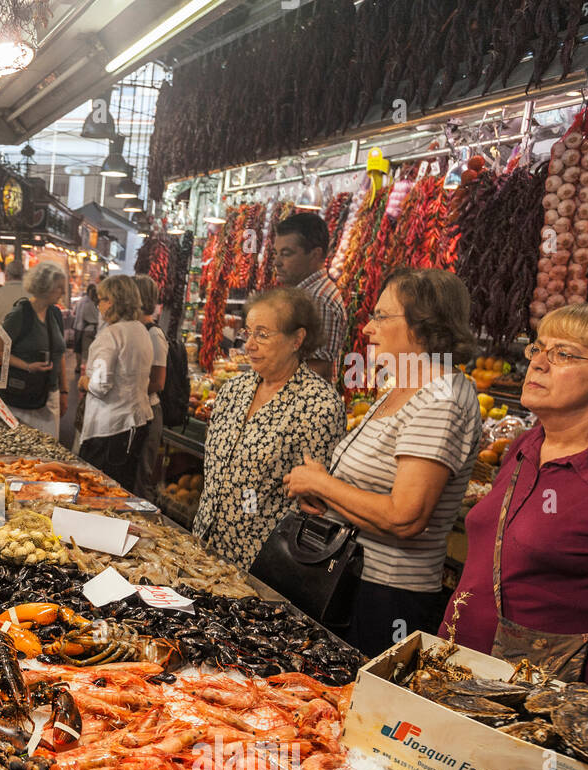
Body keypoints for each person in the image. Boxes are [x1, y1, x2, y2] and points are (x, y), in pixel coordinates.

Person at [284, 267, 482, 657]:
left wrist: (322, 484)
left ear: (424, 325)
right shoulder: (402, 388)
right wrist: (324, 496)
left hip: (387, 596)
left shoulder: (441, 400)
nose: (368, 328)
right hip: (348, 580)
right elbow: (371, 496)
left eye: (381, 316)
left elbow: (404, 517)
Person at [441, 304, 588, 683]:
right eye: (537, 348)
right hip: (458, 670)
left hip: (542, 699)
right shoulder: (526, 444)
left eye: (563, 353)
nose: (539, 363)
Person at [192, 287, 344, 570]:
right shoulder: (234, 390)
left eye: (263, 334)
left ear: (297, 339)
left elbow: (314, 502)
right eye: (248, 332)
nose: (249, 345)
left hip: (262, 563)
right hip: (203, 547)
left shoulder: (318, 405)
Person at [77, 275, 153, 490]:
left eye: (100, 299)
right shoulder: (140, 330)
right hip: (136, 422)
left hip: (110, 428)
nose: (98, 305)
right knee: (121, 488)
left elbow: (100, 386)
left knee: (97, 490)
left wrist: (84, 382)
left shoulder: (111, 335)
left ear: (111, 301)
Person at [0, 261, 69, 436]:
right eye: (59, 288)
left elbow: (60, 352)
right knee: (22, 445)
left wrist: (64, 390)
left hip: (49, 394)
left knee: (48, 447)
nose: (63, 292)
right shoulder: (20, 314)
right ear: (45, 287)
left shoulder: (54, 313)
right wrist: (27, 366)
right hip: (23, 395)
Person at [273, 212, 347, 387]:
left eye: (286, 253)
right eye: (276, 253)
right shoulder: (305, 293)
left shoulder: (318, 299)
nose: (277, 262)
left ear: (315, 255)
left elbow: (317, 368)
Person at [133, 274, 170, 500]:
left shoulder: (154, 334)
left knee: (142, 476)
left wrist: (126, 387)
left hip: (148, 414)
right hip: (135, 410)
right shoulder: (135, 330)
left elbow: (158, 382)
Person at [72, 283, 102, 361]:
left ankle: (80, 367)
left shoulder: (82, 301)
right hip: (88, 328)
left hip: (83, 328)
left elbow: (76, 313)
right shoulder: (95, 303)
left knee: (81, 350)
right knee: (88, 351)